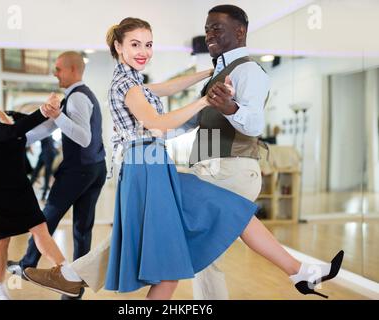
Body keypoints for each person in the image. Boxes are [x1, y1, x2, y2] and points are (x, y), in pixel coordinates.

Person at [23, 18, 344, 300]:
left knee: (187, 250)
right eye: (135, 44)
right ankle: (72, 276)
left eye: (148, 44)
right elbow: (157, 123)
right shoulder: (126, 84)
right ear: (118, 46)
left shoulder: (134, 81)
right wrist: (204, 100)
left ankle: (300, 271)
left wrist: (210, 71)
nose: (143, 51)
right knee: (207, 229)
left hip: (151, 168)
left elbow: (164, 88)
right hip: (147, 170)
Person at [0, 72, 82, 299]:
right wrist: (42, 110)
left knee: (40, 228)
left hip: (18, 182)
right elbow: (13, 132)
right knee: (1, 239)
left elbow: (37, 122)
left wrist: (60, 102)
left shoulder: (10, 115)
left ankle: (67, 273)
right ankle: (0, 288)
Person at [181, 4, 272, 299]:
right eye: (207, 29)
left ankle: (77, 274)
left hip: (231, 169)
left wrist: (231, 108)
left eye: (216, 28)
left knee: (193, 246)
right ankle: (301, 272)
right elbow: (197, 121)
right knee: (203, 258)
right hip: (209, 168)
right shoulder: (217, 73)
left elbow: (255, 123)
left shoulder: (248, 70)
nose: (209, 34)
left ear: (240, 31)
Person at [6, 51, 107, 300]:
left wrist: (57, 115)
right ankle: (74, 291)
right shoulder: (75, 96)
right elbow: (50, 127)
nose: (54, 73)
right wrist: (16, 139)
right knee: (82, 229)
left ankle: (27, 263)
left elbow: (83, 138)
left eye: (58, 68)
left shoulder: (77, 98)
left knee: (45, 218)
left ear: (73, 70)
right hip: (95, 168)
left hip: (79, 171)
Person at [29, 135, 58, 200]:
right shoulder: (47, 134)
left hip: (49, 154)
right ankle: (29, 188)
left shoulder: (46, 133)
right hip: (44, 153)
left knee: (46, 174)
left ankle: (44, 194)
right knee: (36, 172)